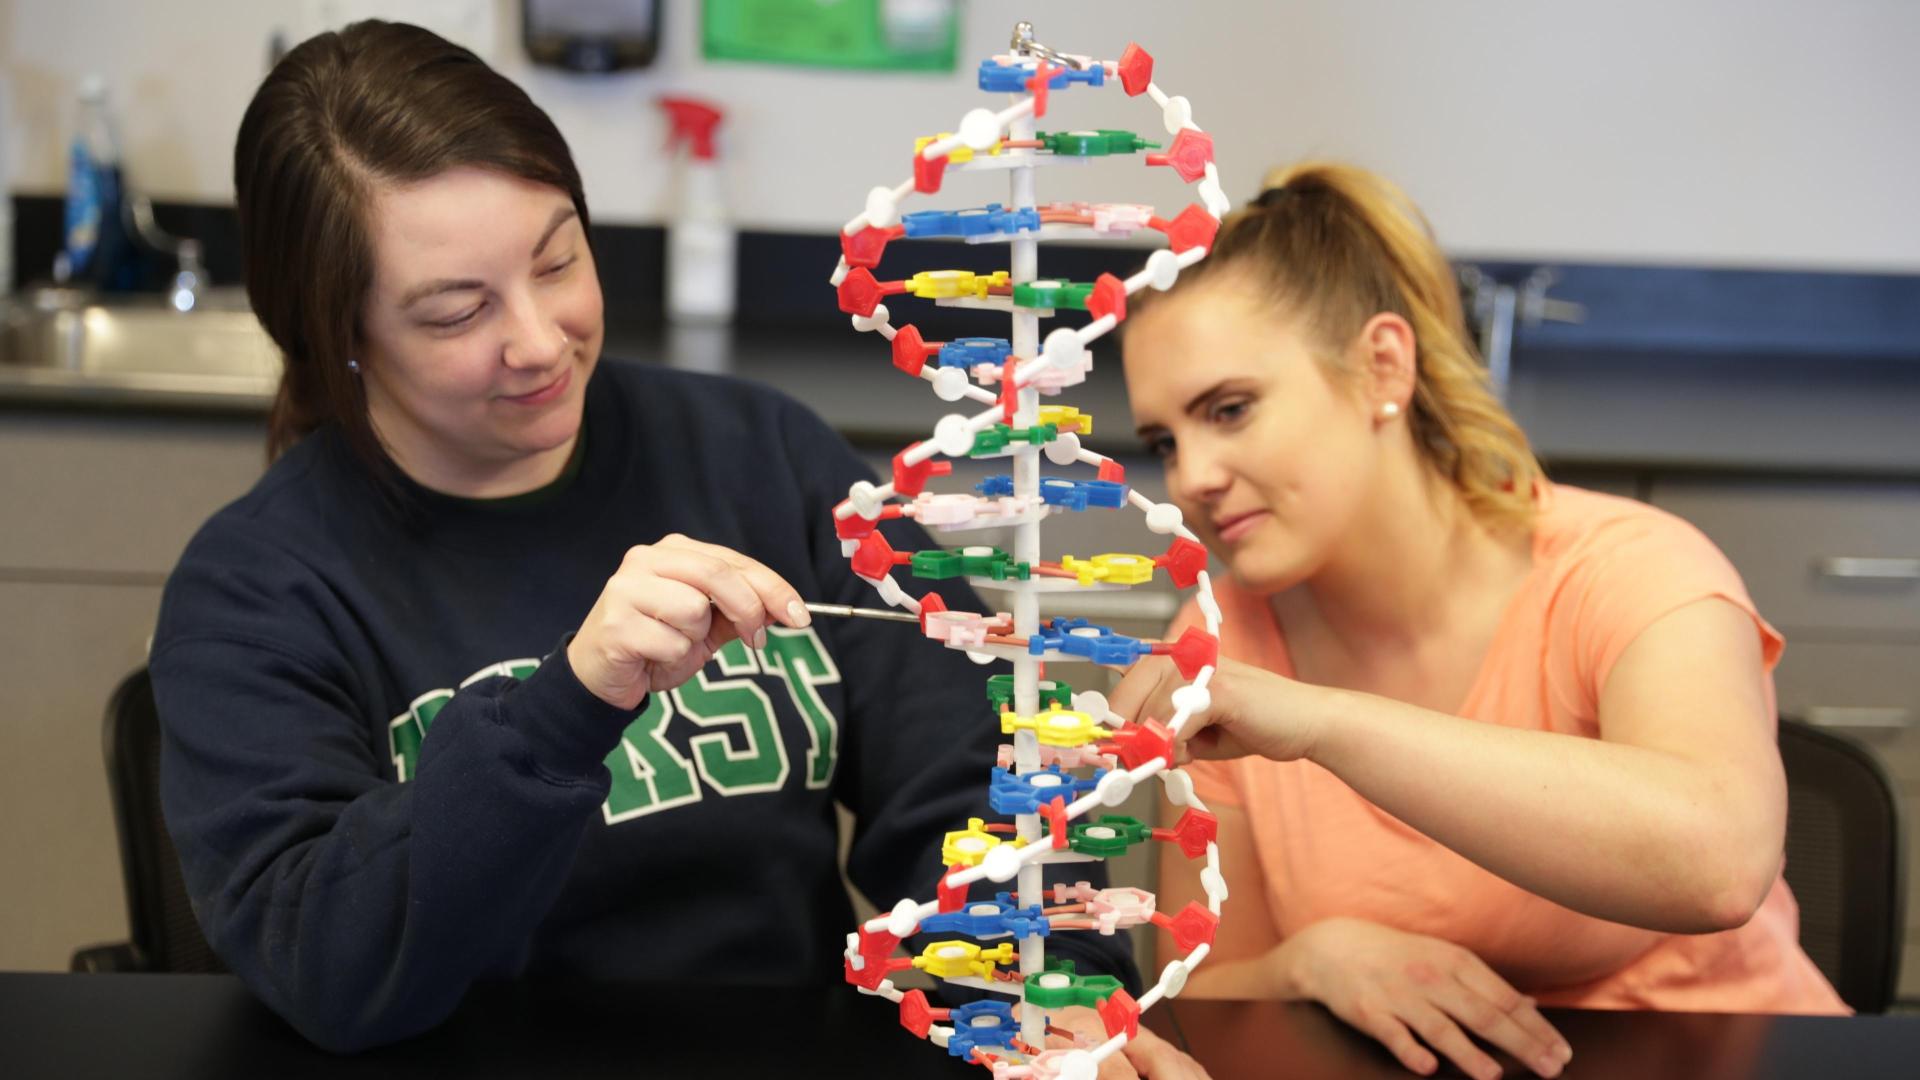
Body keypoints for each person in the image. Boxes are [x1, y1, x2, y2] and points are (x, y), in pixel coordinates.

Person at [152, 22, 1203, 1076]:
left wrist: (1049, 984)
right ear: (339, 332)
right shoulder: (257, 588)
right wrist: (568, 705)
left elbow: (975, 775)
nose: (539, 338)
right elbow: (330, 972)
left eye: (558, 259)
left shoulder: (763, 456)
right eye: (456, 311)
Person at [1110, 162, 1846, 1080]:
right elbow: (1206, 996)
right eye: (1165, 442)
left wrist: (1324, 722)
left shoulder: (1630, 569)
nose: (1191, 478)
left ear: (1384, 365)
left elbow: (1719, 862)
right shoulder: (1224, 637)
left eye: (1231, 409)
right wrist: (1312, 962)